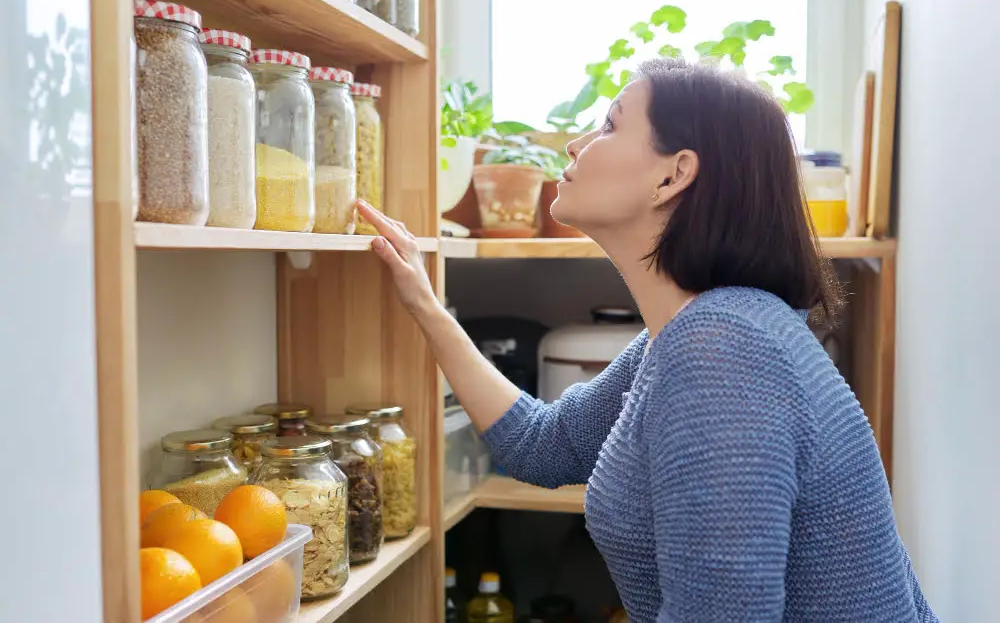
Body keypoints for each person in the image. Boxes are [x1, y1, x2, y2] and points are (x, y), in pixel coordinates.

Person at [358, 58, 937, 622]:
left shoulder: (723, 351)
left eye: (609, 125)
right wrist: (424, 304)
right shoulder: (688, 335)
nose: (574, 145)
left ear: (674, 174)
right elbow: (541, 446)